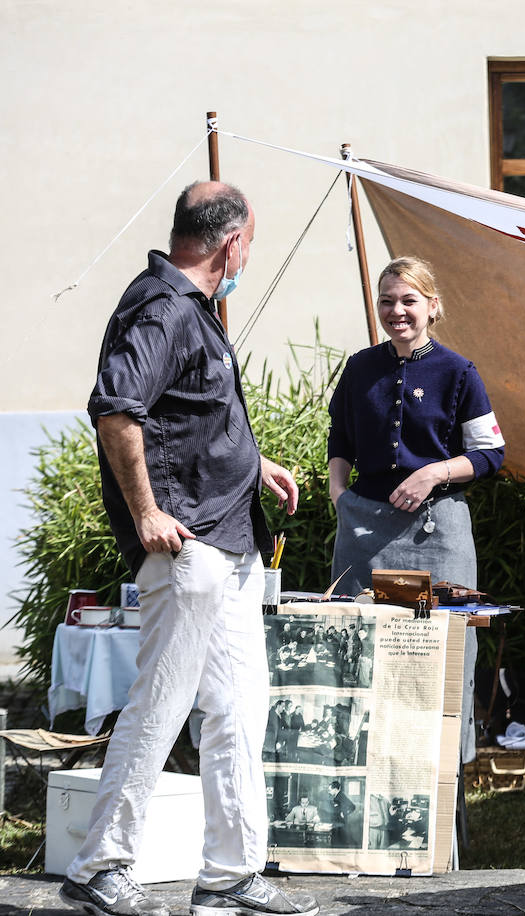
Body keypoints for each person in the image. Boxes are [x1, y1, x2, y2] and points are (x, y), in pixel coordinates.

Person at [62, 181, 316, 916]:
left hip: (228, 543)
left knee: (240, 710)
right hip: (189, 546)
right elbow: (116, 410)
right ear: (232, 243)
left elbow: (192, 415)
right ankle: (100, 865)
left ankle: (231, 874)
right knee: (161, 704)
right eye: (250, 246)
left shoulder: (191, 308)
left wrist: (254, 461)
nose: (248, 259)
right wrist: (146, 513)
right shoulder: (164, 307)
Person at [328, 256, 504, 766]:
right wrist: (340, 495)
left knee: (439, 656)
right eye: (387, 301)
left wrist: (433, 473)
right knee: (361, 651)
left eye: (408, 300)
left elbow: (491, 453)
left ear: (432, 306)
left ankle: (442, 780)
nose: (397, 311)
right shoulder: (360, 368)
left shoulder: (458, 372)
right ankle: (361, 772)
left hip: (438, 536)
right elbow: (340, 438)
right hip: (364, 536)